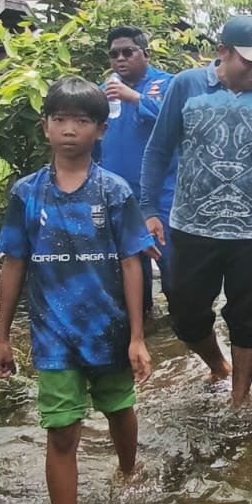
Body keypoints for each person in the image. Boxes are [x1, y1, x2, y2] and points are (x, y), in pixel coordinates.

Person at [0, 76, 154, 504]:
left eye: (81, 121)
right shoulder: (27, 193)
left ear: (100, 131)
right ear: (45, 127)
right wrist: (2, 336)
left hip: (109, 329)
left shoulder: (114, 192)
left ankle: (128, 471)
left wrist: (138, 337)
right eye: (59, 119)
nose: (69, 129)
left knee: (120, 409)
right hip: (53, 335)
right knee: (61, 431)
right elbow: (14, 264)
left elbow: (131, 263)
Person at [140, 15, 252, 407]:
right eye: (250, 60)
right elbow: (159, 149)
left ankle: (239, 398)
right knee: (185, 312)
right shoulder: (187, 86)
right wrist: (148, 208)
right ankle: (218, 364)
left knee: (248, 315)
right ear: (223, 53)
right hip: (192, 226)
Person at [96, 27, 174, 316]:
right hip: (118, 196)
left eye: (127, 52)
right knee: (129, 267)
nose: (120, 59)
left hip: (162, 194)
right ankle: (144, 330)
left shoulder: (167, 84)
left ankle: (184, 331)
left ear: (145, 54)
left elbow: (175, 120)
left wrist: (135, 98)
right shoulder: (105, 91)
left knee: (171, 266)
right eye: (114, 54)